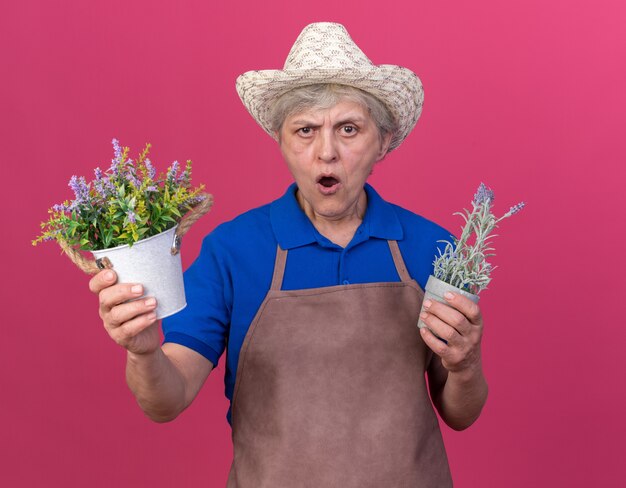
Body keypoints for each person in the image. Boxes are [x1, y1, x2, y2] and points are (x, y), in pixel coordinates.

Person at [89, 22, 488, 487]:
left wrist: (466, 364)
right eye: (305, 130)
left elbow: (461, 413)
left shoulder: (431, 247)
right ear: (280, 140)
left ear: (382, 141)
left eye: (348, 128)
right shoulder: (232, 251)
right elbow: (166, 399)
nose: (327, 152)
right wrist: (142, 352)